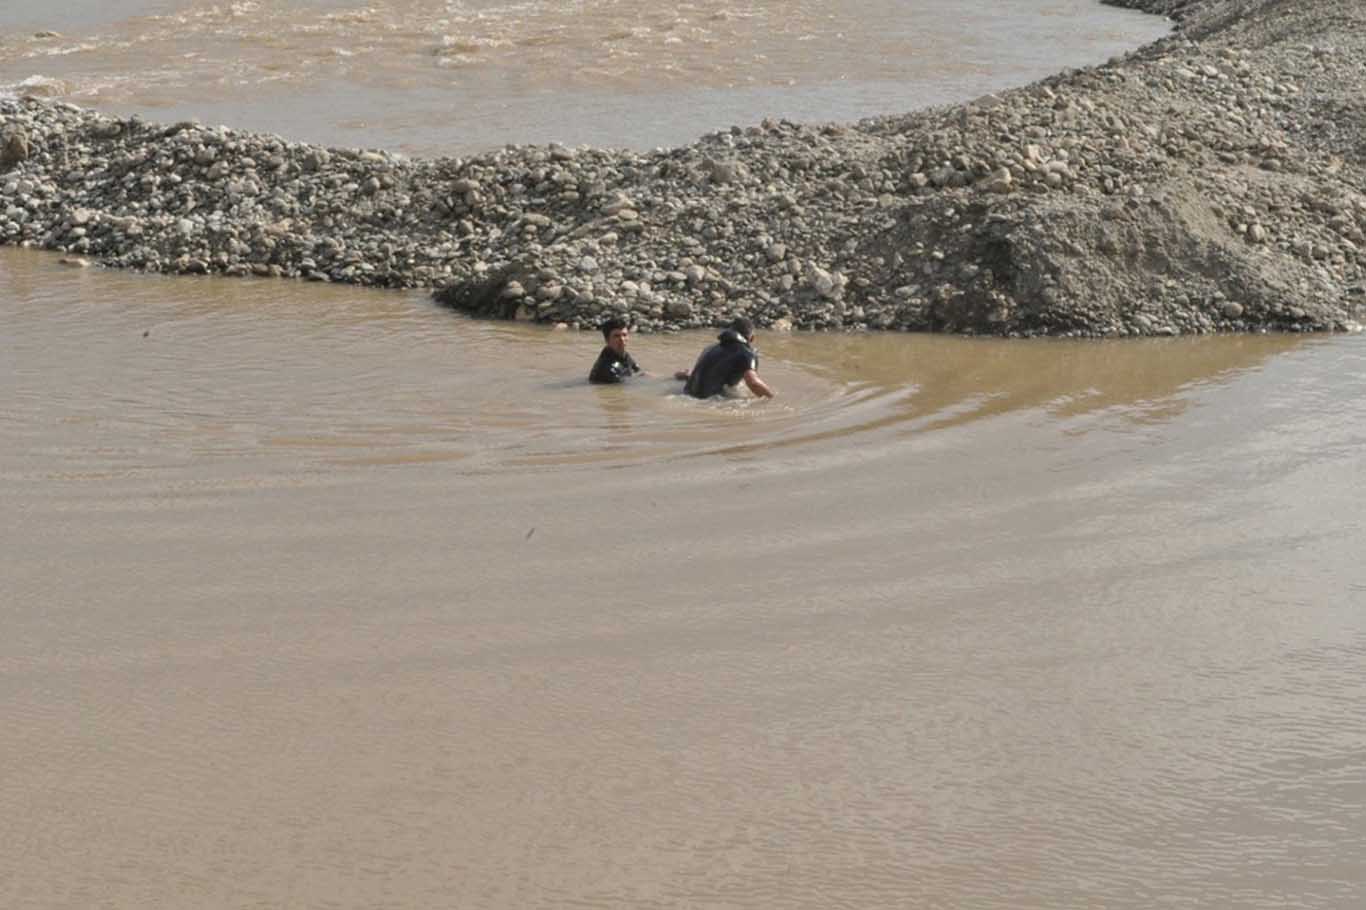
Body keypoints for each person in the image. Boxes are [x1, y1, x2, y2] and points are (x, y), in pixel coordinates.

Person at [680, 317, 775, 399]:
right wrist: (772, 398)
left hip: (686, 394)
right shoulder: (747, 354)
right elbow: (753, 383)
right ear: (752, 338)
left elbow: (702, 372)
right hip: (710, 402)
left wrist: (685, 375)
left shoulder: (710, 349)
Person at [588, 317, 642, 384]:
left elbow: (639, 371)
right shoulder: (606, 368)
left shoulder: (624, 355)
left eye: (624, 335)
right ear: (607, 340)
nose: (622, 339)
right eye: (616, 336)